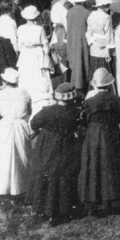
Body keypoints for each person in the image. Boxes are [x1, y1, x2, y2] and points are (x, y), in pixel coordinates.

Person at [27, 83, 84, 225]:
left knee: (45, 173)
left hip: (46, 145)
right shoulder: (75, 113)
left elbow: (34, 124)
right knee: (63, 176)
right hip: (67, 146)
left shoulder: (47, 112)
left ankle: (42, 208)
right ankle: (63, 209)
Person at [79, 68, 120, 214]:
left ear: (95, 85)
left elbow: (85, 120)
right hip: (111, 133)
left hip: (93, 135)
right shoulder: (116, 99)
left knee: (94, 165)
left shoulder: (89, 102)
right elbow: (118, 118)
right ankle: (115, 198)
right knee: (112, 163)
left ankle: (94, 199)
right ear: (109, 85)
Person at [0, 68, 33, 197]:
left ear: (4, 81)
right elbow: (29, 110)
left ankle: (1, 188)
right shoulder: (25, 94)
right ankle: (21, 188)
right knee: (21, 155)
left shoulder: (0, 94)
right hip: (21, 125)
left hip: (5, 126)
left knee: (2, 157)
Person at [16, 6, 54, 115]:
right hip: (37, 54)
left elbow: (19, 46)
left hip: (25, 54)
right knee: (39, 75)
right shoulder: (39, 29)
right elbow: (45, 45)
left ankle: (26, 101)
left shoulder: (20, 28)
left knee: (26, 77)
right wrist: (46, 55)